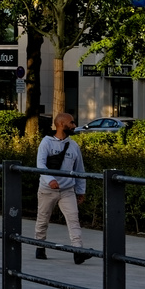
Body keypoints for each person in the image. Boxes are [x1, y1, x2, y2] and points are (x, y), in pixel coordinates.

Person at [36, 113, 89, 264]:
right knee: (43, 219)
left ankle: (78, 251)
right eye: (71, 123)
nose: (74, 125)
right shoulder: (46, 143)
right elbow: (40, 164)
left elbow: (80, 170)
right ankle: (40, 246)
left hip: (67, 190)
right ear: (60, 124)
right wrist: (50, 180)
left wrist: (81, 190)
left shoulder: (73, 145)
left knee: (74, 219)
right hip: (47, 189)